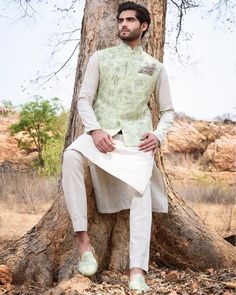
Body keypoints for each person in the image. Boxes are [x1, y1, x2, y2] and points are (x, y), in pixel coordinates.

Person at [62, 1, 174, 292]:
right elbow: (84, 99)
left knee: (142, 191)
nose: (123, 24)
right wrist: (95, 129)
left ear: (144, 26)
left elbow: (168, 111)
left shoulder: (155, 67)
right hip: (101, 134)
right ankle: (84, 245)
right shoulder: (100, 58)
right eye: (120, 20)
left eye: (129, 20)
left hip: (137, 140)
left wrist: (159, 135)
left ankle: (137, 271)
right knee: (71, 155)